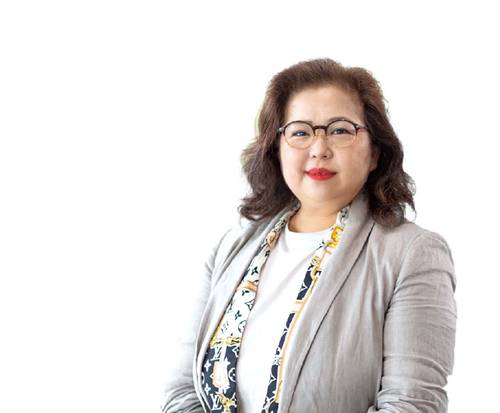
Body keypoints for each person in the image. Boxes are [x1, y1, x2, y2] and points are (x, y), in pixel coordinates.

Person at [161, 58, 457, 413]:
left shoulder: (411, 253)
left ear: (375, 152)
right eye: (300, 132)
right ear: (277, 148)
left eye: (340, 130)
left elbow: (413, 405)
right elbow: (182, 392)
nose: (319, 148)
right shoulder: (230, 249)